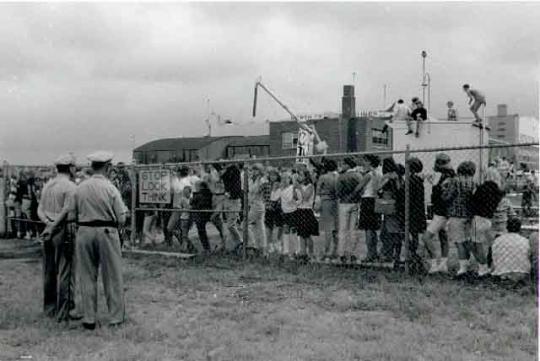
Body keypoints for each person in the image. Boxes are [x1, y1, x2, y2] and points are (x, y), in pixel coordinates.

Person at [68, 151, 128, 330]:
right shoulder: (110, 188)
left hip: (84, 231)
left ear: (92, 167)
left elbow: (71, 214)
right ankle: (115, 317)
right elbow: (122, 218)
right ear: (107, 167)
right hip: (107, 231)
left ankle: (89, 318)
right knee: (112, 275)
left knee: (87, 275)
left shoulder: (80, 187)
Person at [38, 154, 81, 322]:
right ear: (70, 168)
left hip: (48, 228)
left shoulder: (48, 185)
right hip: (64, 229)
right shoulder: (71, 187)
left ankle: (49, 309)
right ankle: (65, 311)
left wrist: (48, 224)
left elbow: (40, 209)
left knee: (49, 270)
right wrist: (55, 226)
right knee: (66, 270)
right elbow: (66, 210)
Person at [442, 161, 476, 277]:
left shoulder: (455, 181)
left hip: (456, 213)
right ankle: (467, 264)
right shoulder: (473, 181)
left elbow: (448, 196)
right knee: (466, 240)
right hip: (468, 213)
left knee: (459, 242)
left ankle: (462, 268)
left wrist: (444, 190)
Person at [423, 153, 455, 274]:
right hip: (443, 211)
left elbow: (443, 192)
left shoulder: (448, 176)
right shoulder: (445, 175)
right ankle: (443, 264)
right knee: (443, 237)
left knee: (426, 237)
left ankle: (434, 263)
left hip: (441, 213)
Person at [470, 180, 503, 277]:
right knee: (488, 245)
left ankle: (483, 268)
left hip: (478, 219)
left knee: (477, 245)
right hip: (488, 220)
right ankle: (490, 265)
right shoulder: (495, 197)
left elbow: (473, 201)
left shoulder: (479, 195)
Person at [354, 154, 381, 263]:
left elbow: (358, 188)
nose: (363, 163)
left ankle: (370, 254)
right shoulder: (378, 173)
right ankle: (374, 252)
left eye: (365, 160)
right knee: (373, 228)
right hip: (375, 200)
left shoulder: (368, 175)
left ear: (369, 162)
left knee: (368, 229)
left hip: (367, 200)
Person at [378, 158, 405, 266]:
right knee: (392, 232)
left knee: (391, 232)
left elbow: (378, 189)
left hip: (388, 205)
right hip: (397, 205)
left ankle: (390, 254)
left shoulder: (387, 177)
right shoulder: (399, 178)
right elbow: (400, 190)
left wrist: (387, 180)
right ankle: (393, 254)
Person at [337, 157, 362, 264]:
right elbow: (361, 189)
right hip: (355, 203)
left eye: (343, 164)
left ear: (348, 165)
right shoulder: (358, 175)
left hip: (344, 203)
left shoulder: (341, 176)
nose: (342, 166)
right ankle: (352, 253)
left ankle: (342, 253)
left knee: (343, 230)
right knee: (353, 229)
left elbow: (338, 191)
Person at [492, 218, 531, 284]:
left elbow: (493, 257)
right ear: (520, 228)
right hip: (522, 273)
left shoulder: (498, 240)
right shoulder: (526, 241)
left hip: (502, 273)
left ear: (506, 227)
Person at [317, 159, 339, 262]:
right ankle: (335, 250)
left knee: (328, 229)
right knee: (336, 228)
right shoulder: (337, 177)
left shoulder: (323, 177)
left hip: (326, 201)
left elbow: (318, 190)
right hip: (336, 202)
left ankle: (327, 251)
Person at [295, 169, 319, 262]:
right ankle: (303, 252)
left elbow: (305, 197)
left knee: (307, 235)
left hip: (307, 210)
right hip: (299, 210)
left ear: (306, 177)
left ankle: (311, 253)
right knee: (301, 234)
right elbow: (295, 197)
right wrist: (295, 188)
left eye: (300, 175)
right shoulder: (299, 186)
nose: (299, 177)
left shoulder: (310, 186)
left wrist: (300, 188)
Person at [247, 163, 268, 257]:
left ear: (260, 171)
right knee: (259, 227)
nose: (254, 172)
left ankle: (253, 245)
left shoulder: (262, 180)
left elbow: (262, 190)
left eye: (256, 170)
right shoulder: (251, 180)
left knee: (245, 224)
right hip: (253, 205)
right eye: (253, 170)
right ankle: (262, 249)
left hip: (258, 205)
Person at [222, 163, 243, 253]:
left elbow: (236, 191)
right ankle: (232, 247)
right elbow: (223, 175)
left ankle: (240, 242)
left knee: (231, 225)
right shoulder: (227, 176)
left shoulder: (237, 175)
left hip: (234, 201)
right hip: (227, 201)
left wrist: (230, 165)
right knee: (229, 225)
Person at [280, 171, 301, 260]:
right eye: (283, 178)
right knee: (285, 230)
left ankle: (297, 250)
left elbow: (298, 199)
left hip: (293, 212)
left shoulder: (294, 188)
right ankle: (286, 251)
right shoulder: (281, 189)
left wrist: (294, 194)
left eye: (286, 178)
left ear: (290, 179)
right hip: (285, 212)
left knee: (294, 231)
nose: (284, 180)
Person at [190, 181, 213, 255]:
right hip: (206, 213)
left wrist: (193, 203)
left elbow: (193, 203)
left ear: (201, 187)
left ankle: (207, 248)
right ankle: (207, 248)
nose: (196, 188)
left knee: (201, 232)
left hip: (200, 214)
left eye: (197, 186)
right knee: (202, 231)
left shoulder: (199, 194)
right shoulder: (209, 193)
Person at [264, 168, 283, 255]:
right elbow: (264, 196)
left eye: (274, 175)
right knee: (269, 226)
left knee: (280, 225)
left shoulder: (280, 185)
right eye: (271, 175)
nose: (272, 177)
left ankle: (278, 241)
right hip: (269, 207)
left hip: (279, 208)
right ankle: (270, 243)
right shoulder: (266, 185)